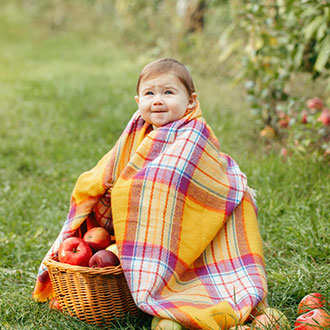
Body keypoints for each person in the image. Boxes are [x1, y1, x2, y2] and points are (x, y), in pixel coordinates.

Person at [33, 58, 268, 330]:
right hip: (132, 226)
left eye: (168, 92)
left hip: (192, 213)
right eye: (149, 93)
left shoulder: (192, 133)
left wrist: (138, 188)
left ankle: (175, 284)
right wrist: (101, 184)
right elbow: (117, 162)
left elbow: (175, 175)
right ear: (137, 101)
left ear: (191, 101)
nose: (158, 100)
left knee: (150, 189)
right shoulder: (139, 129)